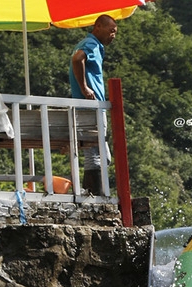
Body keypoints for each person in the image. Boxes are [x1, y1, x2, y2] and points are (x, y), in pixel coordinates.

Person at [69, 14, 118, 195]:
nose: (113, 35)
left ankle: (93, 193)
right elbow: (77, 59)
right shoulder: (91, 44)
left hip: (93, 106)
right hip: (90, 106)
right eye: (111, 31)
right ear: (98, 27)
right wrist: (85, 89)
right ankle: (94, 196)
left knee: (103, 157)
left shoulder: (94, 45)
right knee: (95, 155)